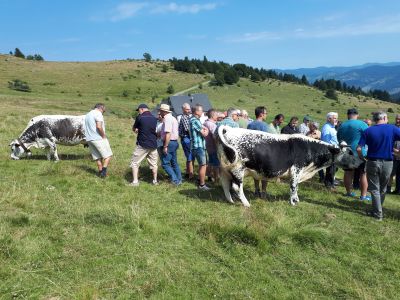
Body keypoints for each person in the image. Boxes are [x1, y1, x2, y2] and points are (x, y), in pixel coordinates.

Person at [357, 111, 400, 221]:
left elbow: (358, 148)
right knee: (383, 188)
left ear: (375, 119)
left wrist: (363, 158)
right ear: (384, 118)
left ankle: (377, 212)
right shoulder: (392, 128)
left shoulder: (368, 130)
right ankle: (377, 211)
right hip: (388, 162)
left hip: (372, 161)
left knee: (374, 189)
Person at [337, 108, 370, 200]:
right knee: (363, 174)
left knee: (348, 173)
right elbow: (369, 135)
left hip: (346, 151)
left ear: (348, 115)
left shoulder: (342, 125)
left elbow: (339, 138)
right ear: (357, 115)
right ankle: (363, 196)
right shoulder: (362, 124)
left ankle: (349, 192)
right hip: (360, 152)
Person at [129, 104, 158, 186]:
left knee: (134, 163)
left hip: (142, 144)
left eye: (138, 110)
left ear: (141, 109)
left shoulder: (140, 117)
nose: (138, 112)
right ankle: (155, 181)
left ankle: (135, 182)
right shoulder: (154, 117)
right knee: (154, 164)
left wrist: (137, 130)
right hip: (153, 144)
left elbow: (134, 128)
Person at [84, 103, 112, 178]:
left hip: (89, 139)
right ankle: (104, 172)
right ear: (101, 108)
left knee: (97, 157)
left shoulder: (88, 114)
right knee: (108, 156)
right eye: (104, 111)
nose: (103, 112)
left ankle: (100, 172)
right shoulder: (98, 113)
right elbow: (99, 127)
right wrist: (103, 136)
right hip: (98, 138)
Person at [247, 106, 268, 198]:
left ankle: (256, 189)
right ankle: (263, 191)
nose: (266, 115)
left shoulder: (250, 125)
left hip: (253, 152)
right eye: (265, 113)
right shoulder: (264, 125)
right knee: (264, 173)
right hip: (263, 152)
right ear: (261, 114)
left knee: (255, 171)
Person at [159, 104, 182, 185]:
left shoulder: (167, 119)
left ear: (163, 111)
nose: (159, 112)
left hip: (169, 142)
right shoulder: (173, 118)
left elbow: (168, 133)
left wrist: (165, 146)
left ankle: (175, 180)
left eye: (160, 111)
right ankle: (179, 179)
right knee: (174, 162)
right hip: (174, 142)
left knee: (165, 163)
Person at [190, 104, 210, 190]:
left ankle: (199, 180)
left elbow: (203, 128)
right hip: (198, 146)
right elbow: (204, 133)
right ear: (197, 111)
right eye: (201, 110)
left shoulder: (194, 120)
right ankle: (202, 185)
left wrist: (205, 129)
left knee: (201, 164)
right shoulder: (195, 120)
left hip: (196, 146)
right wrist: (207, 131)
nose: (202, 112)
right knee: (203, 165)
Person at [321, 112, 339, 189]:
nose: (336, 120)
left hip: (334, 150)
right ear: (329, 119)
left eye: (336, 118)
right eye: (334, 118)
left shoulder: (332, 127)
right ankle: (329, 186)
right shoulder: (327, 127)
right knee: (331, 169)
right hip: (330, 150)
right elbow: (326, 141)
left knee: (333, 168)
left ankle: (330, 184)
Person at [178, 103, 194, 180]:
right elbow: (188, 129)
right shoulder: (184, 117)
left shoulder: (187, 117)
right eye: (187, 109)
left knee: (189, 156)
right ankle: (190, 176)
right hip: (186, 138)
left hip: (186, 138)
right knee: (190, 157)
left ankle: (188, 173)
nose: (189, 110)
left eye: (189, 109)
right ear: (183, 109)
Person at [203, 109, 220, 182]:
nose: (217, 116)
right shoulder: (212, 125)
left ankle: (209, 176)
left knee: (210, 162)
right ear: (213, 116)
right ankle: (216, 179)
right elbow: (215, 136)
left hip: (208, 145)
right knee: (216, 163)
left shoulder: (205, 123)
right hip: (213, 146)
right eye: (216, 115)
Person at [388, 114, 400, 194]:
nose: (398, 120)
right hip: (392, 153)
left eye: (399, 119)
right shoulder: (391, 128)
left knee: (399, 174)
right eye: (397, 119)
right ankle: (388, 189)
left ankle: (398, 190)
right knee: (390, 173)